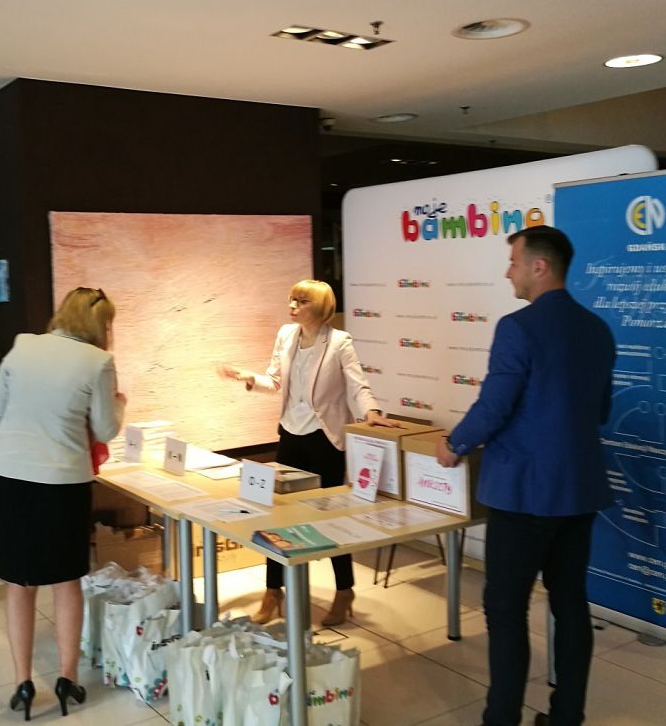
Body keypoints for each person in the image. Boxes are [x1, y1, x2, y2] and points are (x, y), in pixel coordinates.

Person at [436, 226, 615, 726]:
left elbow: (494, 406)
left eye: (514, 262)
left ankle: (501, 719)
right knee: (570, 604)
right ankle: (566, 717)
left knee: (506, 608)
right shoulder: (597, 329)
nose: (507, 272)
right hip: (579, 491)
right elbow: (600, 411)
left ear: (540, 267)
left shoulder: (517, 327)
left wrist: (454, 445)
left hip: (524, 496)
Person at [0, 287, 126, 719]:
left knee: (20, 583)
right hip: (62, 482)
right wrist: (120, 405)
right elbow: (105, 430)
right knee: (66, 581)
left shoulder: (23, 346)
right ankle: (67, 679)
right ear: (100, 323)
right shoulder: (98, 361)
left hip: (11, 477)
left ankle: (22, 684)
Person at [220, 278, 395, 626]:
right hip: (290, 434)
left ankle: (344, 589)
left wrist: (372, 411)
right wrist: (250, 377)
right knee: (277, 516)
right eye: (292, 299)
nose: (293, 306)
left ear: (322, 307)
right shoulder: (286, 335)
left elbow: (357, 384)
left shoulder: (339, 341)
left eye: (302, 301)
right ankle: (274, 591)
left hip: (325, 439)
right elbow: (275, 381)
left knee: (330, 518)